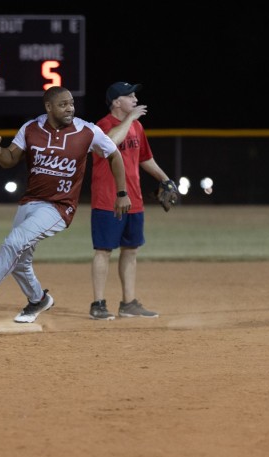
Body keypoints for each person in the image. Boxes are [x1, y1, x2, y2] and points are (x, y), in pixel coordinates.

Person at [0, 86, 131, 326]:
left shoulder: (88, 131)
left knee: (14, 242)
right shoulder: (30, 128)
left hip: (59, 207)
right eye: (63, 104)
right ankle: (38, 299)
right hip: (30, 202)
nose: (70, 108)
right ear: (48, 107)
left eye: (71, 103)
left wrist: (122, 192)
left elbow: (114, 155)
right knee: (19, 261)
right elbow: (9, 159)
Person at [89, 81, 175, 320]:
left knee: (131, 250)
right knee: (103, 250)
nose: (136, 100)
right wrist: (130, 119)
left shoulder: (137, 127)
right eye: (130, 96)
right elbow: (110, 144)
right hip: (108, 200)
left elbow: (145, 158)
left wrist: (165, 179)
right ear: (117, 102)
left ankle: (128, 303)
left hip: (134, 199)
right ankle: (98, 303)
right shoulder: (101, 126)